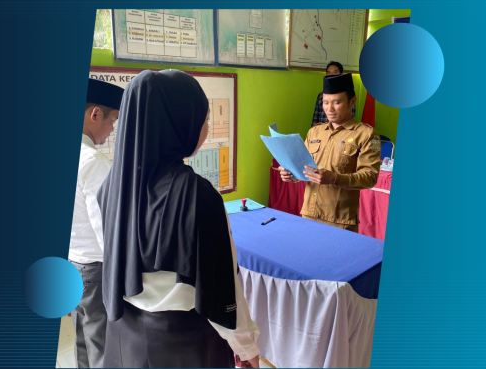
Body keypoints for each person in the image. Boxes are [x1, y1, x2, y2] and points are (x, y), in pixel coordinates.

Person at [98, 70, 260, 368]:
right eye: (204, 119)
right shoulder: (198, 195)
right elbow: (222, 285)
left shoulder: (111, 187)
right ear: (179, 123)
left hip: (125, 335)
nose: (206, 128)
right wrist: (246, 347)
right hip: (186, 343)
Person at [69, 78, 124, 368]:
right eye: (112, 120)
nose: (112, 129)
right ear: (95, 114)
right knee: (103, 348)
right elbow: (108, 232)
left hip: (72, 264)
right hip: (96, 271)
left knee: (82, 342)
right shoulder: (94, 162)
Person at [281, 73, 381, 232]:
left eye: (337, 102)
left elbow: (370, 177)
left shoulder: (366, 134)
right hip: (309, 214)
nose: (330, 109)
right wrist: (291, 173)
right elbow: (303, 166)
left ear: (352, 101)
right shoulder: (315, 132)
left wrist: (335, 178)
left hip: (340, 220)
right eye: (325, 102)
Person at [312, 61, 356, 127]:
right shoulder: (321, 95)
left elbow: (351, 115)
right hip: (324, 130)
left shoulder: (347, 94)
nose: (331, 75)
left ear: (341, 73)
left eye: (335, 72)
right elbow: (316, 116)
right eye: (329, 73)